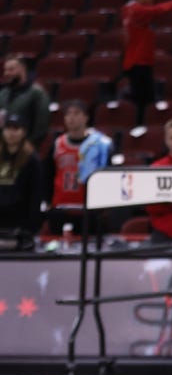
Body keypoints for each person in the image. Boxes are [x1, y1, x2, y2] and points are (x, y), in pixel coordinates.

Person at [42, 100, 113, 235]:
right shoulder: (57, 144)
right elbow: (47, 175)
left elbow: (107, 177)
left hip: (88, 209)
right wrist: (48, 201)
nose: (71, 118)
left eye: (76, 113)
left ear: (86, 117)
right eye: (68, 114)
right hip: (61, 208)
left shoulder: (99, 145)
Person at [0, 113, 44, 249]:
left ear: (23, 132)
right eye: (8, 128)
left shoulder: (32, 160)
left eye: (16, 129)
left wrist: (30, 227)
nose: (11, 133)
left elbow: (36, 194)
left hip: (20, 223)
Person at [0, 56, 49, 147]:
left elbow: (41, 127)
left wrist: (27, 147)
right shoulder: (3, 94)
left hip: (26, 149)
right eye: (5, 70)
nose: (6, 73)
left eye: (11, 69)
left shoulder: (37, 93)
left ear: (22, 70)